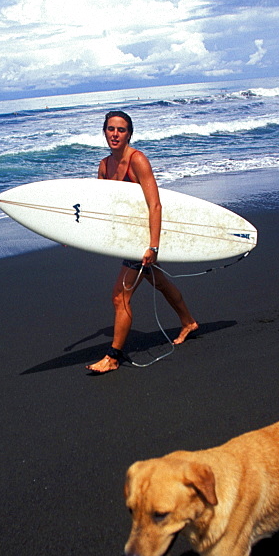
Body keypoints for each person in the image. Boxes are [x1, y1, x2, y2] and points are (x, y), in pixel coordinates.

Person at [87, 111, 198, 373]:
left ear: (129, 134)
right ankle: (189, 322)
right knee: (158, 281)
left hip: (144, 238)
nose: (115, 134)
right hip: (128, 238)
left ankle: (113, 357)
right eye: (111, 129)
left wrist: (153, 245)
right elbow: (100, 207)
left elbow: (155, 204)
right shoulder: (104, 166)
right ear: (104, 131)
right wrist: (74, 233)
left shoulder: (138, 161)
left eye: (121, 130)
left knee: (119, 297)